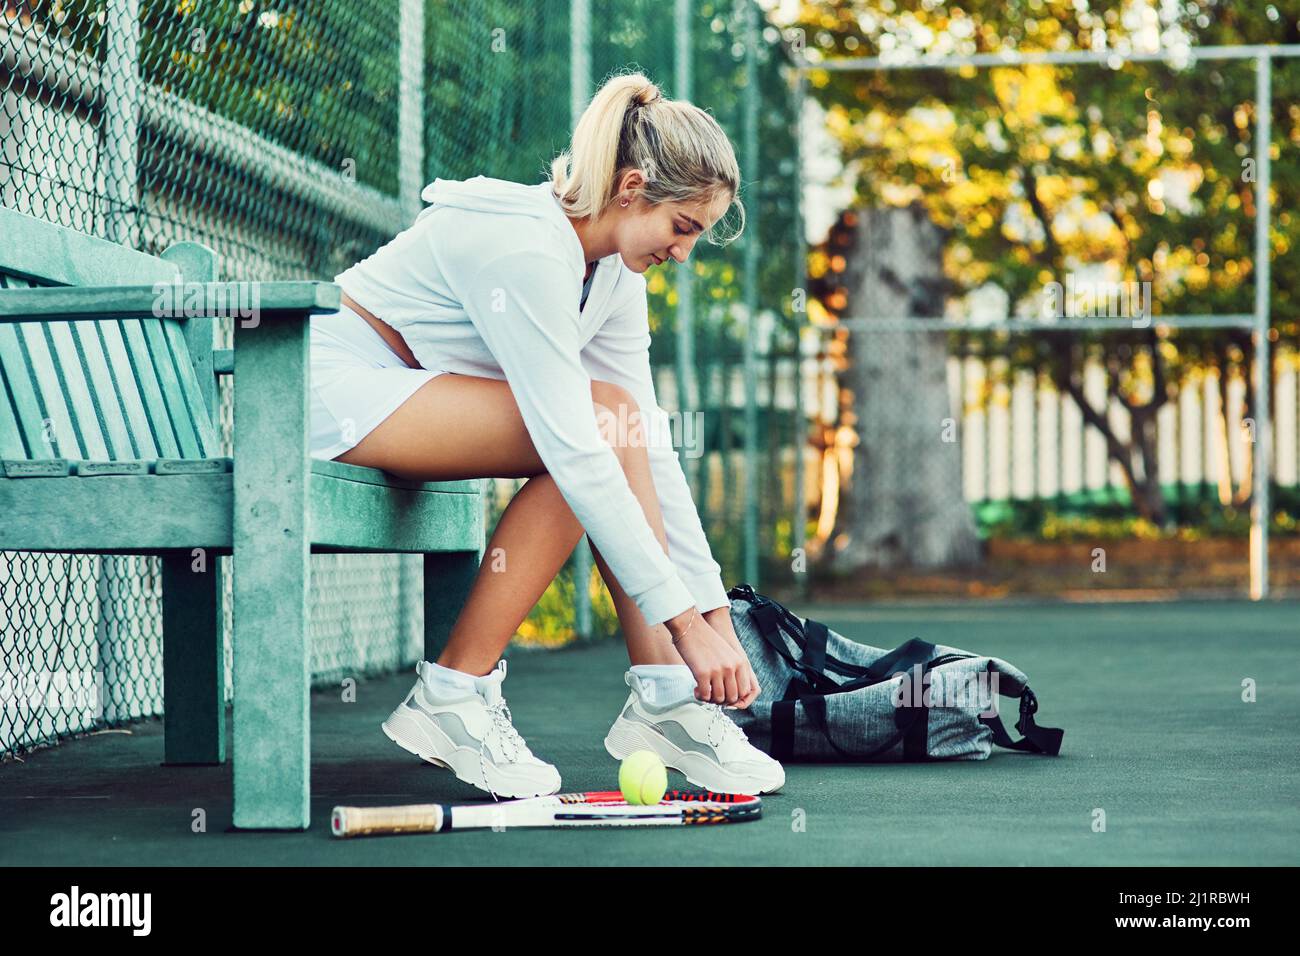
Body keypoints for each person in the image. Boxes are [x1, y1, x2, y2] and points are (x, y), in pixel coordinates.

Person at [308, 71, 784, 800]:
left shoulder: (617, 276)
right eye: (683, 227)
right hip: (331, 385)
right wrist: (683, 625)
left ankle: (664, 702)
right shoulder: (528, 251)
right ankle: (453, 695)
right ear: (632, 188)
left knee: (615, 424)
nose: (685, 252)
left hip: (414, 399)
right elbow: (577, 447)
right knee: (589, 431)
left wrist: (715, 619)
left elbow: (645, 450)